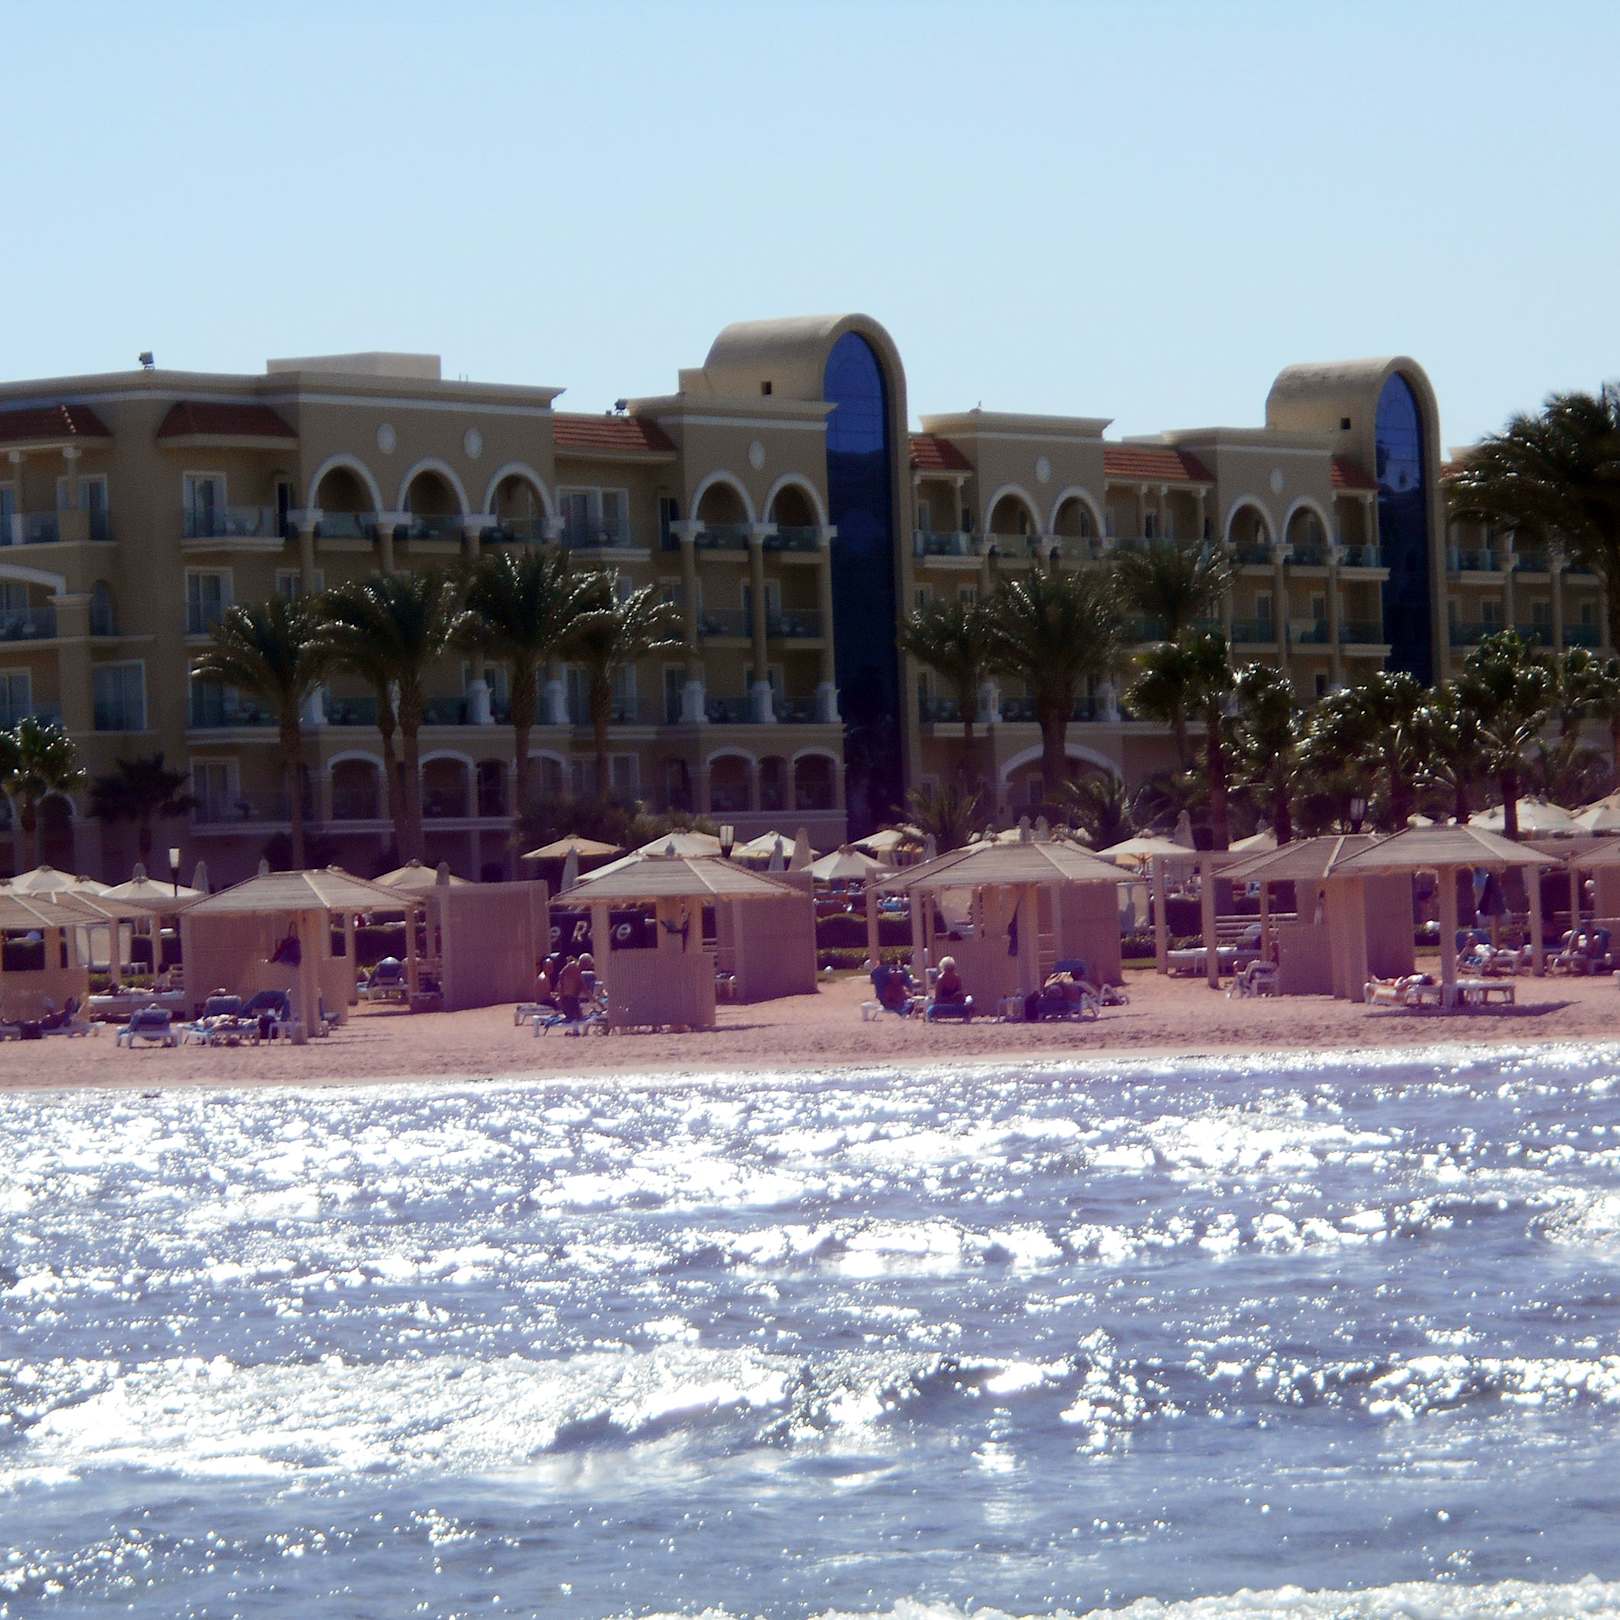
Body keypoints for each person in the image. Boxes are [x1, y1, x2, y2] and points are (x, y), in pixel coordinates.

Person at [555, 955, 584, 1021]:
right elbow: (561, 974)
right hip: (567, 997)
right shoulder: (572, 966)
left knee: (579, 1017)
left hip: (573, 997)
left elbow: (583, 987)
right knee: (573, 1017)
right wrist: (561, 992)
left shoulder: (578, 971)